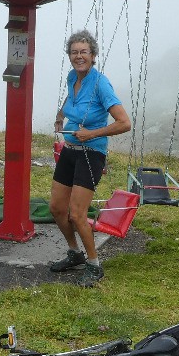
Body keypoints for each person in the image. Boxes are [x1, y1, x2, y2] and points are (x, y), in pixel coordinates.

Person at [49, 30, 131, 287]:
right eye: (74, 52)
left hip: (91, 153)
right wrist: (61, 116)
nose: (79, 56)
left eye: (84, 52)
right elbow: (69, 99)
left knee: (77, 214)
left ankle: (94, 265)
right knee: (56, 208)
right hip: (70, 150)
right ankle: (75, 253)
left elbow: (124, 123)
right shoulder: (72, 77)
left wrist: (91, 134)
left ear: (93, 56)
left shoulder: (101, 84)